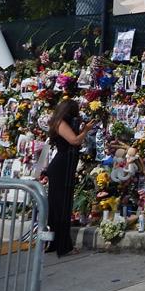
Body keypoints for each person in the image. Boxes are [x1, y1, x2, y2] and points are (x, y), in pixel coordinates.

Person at [46, 99, 96, 257]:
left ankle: (54, 243)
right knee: (61, 207)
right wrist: (86, 130)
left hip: (64, 167)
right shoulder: (60, 122)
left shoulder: (61, 121)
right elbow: (74, 140)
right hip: (62, 168)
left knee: (57, 206)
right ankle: (64, 246)